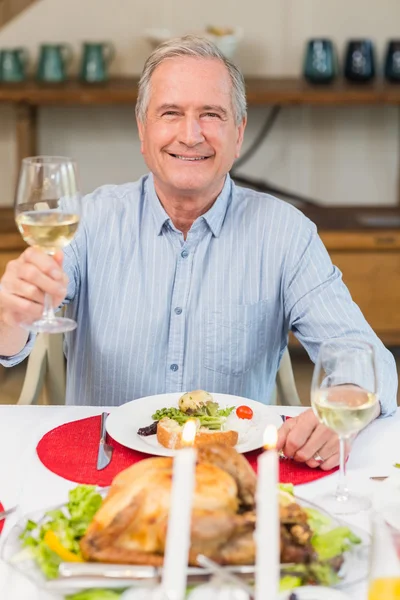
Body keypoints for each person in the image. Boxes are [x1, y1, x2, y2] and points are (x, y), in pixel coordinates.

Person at [0, 36, 397, 470]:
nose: (191, 136)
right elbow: (13, 344)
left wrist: (346, 399)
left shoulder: (286, 233)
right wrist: (10, 316)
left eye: (211, 115)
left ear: (238, 133)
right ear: (143, 130)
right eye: (171, 113)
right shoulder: (87, 222)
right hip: (104, 470)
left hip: (230, 475)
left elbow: (364, 356)